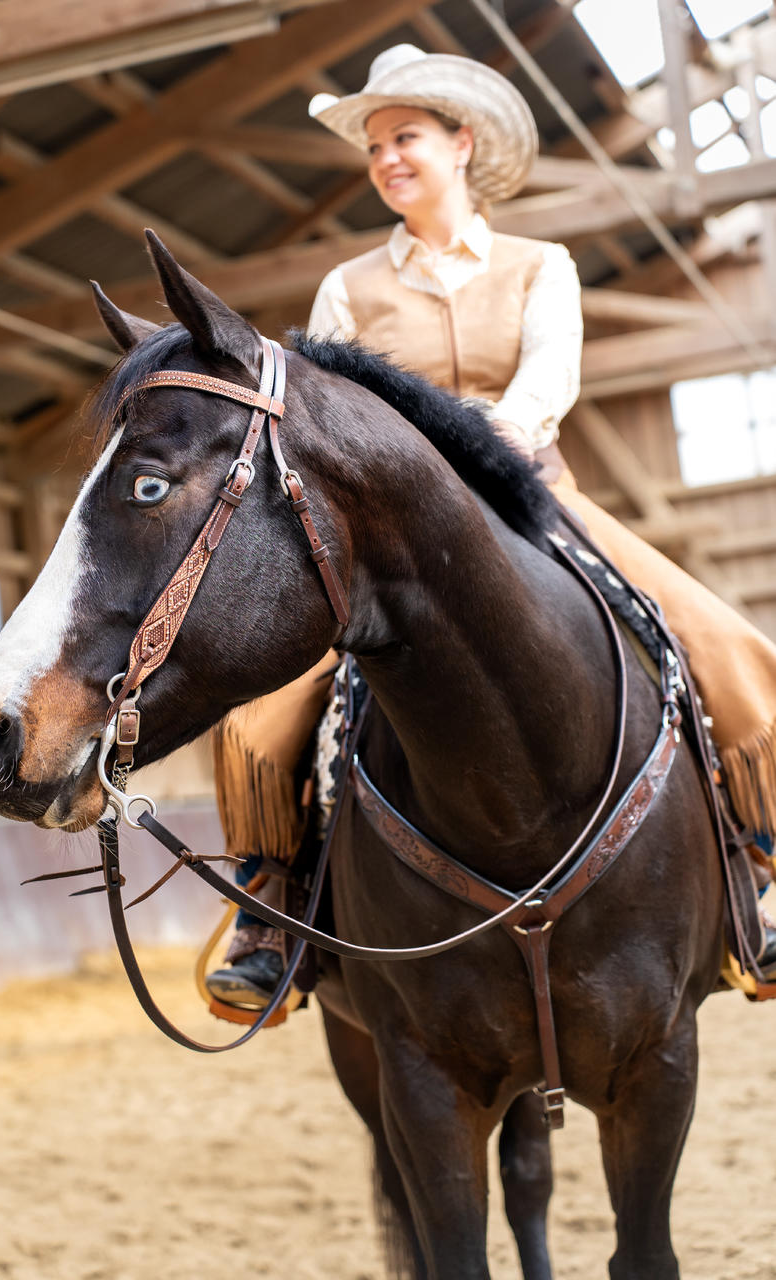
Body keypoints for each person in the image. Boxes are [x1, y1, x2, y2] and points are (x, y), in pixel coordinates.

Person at [205, 44, 776, 1011]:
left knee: (727, 644)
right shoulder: (346, 287)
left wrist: (485, 448)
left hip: (532, 492)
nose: (388, 158)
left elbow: (548, 378)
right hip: (385, 529)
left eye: (407, 137)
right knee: (259, 720)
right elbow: (328, 411)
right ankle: (270, 901)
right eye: (377, 145)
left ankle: (752, 869)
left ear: (461, 144)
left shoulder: (539, 266)